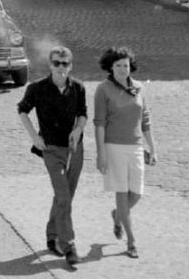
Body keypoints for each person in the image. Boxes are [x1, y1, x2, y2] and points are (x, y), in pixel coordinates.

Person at [16, 45, 88, 266]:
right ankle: (69, 246)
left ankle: (51, 235)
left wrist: (77, 130)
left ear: (70, 66)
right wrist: (33, 137)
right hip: (51, 150)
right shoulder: (37, 88)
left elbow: (83, 114)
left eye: (65, 64)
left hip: (75, 149)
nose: (60, 68)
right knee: (63, 196)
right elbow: (22, 110)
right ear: (50, 65)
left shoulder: (78, 87)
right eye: (56, 63)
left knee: (65, 196)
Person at [94, 46, 156, 260]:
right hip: (113, 147)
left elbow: (145, 119)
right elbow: (99, 124)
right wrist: (100, 154)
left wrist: (152, 148)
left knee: (136, 193)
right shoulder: (103, 89)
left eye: (125, 66)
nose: (122, 69)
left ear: (131, 67)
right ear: (110, 67)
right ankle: (131, 241)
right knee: (121, 192)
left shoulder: (139, 88)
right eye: (118, 65)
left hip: (136, 146)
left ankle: (118, 215)